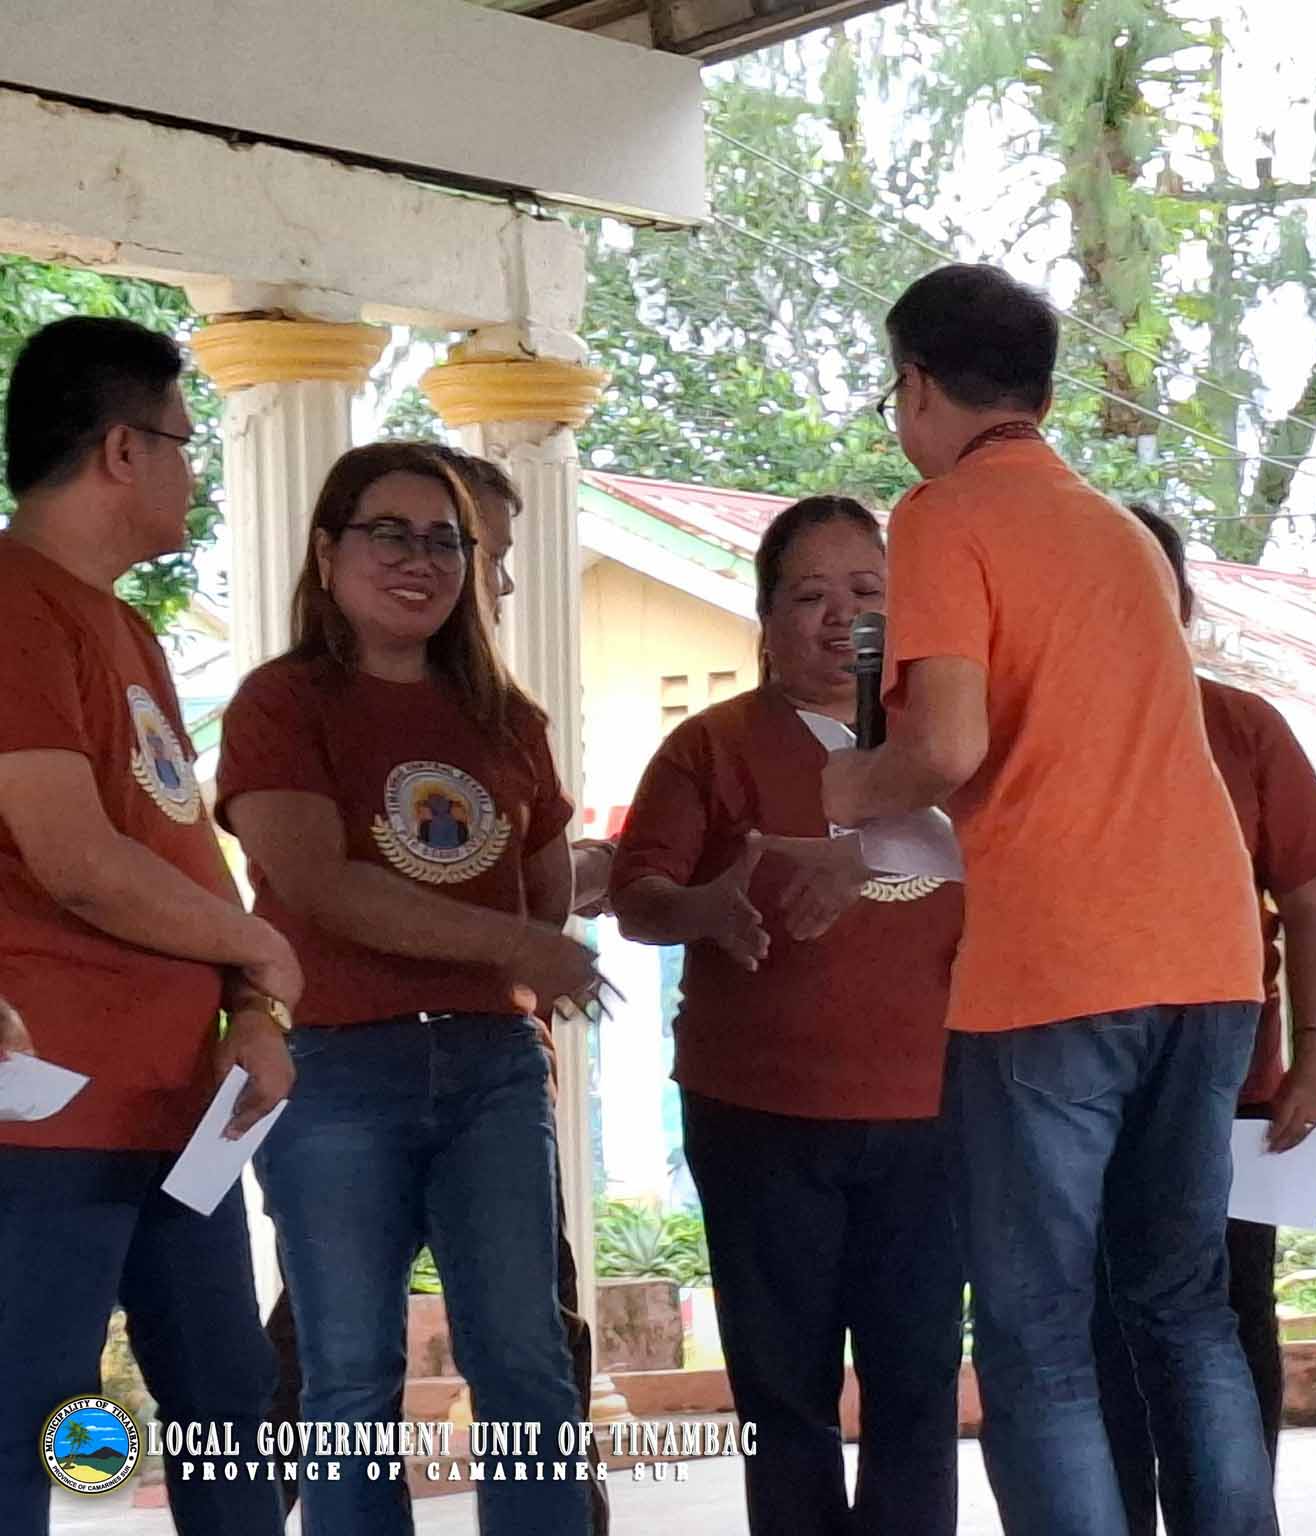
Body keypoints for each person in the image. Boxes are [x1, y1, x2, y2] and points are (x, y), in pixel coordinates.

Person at [820, 264, 1274, 1536]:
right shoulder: (1117, 532)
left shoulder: (941, 515)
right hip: (1206, 956)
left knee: (1036, 1333)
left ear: (914, 385)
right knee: (1185, 1311)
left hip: (1057, 969)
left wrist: (853, 781)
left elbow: (946, 747)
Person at [215, 441, 600, 1536]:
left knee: (526, 1365)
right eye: (388, 533)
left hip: (490, 1069)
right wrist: (511, 946)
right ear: (327, 552)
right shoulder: (281, 702)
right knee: (347, 1376)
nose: (418, 560)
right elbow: (317, 883)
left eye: (445, 541)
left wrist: (538, 938)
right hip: (335, 1063)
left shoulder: (507, 718)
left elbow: (542, 892)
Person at [609, 494, 966, 1536]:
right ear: (766, 617)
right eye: (810, 596)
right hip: (758, 1113)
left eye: (867, 591)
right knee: (783, 1391)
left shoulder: (950, 748)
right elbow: (636, 897)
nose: (841, 617)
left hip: (933, 1113)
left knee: (916, 1384)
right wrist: (707, 910)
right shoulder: (711, 747)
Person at [0, 315, 299, 1536]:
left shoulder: (121, 627)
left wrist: (254, 1006)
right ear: (122, 451)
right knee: (29, 1428)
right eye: (183, 442)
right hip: (47, 1113)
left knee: (229, 1418)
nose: (193, 474)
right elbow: (76, 862)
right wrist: (262, 948)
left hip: (179, 1112)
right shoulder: (15, 604)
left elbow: (179, 854)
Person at [1091, 506, 1316, 1530]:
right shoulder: (1041, 731)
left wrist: (1314, 1058)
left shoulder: (1243, 728)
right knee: (1102, 1326)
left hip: (1235, 1088)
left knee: (1232, 1320)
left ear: (1184, 603)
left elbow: (1309, 902)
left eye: (1149, 588)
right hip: (1082, 1088)